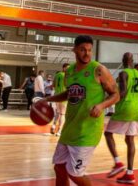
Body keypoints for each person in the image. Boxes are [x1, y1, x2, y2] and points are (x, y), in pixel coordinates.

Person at [44, 35, 119, 186]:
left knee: (75, 174)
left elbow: (116, 94)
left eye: (89, 50)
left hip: (87, 131)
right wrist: (48, 100)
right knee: (59, 168)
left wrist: (101, 106)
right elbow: (69, 93)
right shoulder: (70, 71)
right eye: (83, 50)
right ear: (75, 50)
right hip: (69, 129)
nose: (87, 53)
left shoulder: (98, 70)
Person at [104, 52, 138, 184]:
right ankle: (130, 174)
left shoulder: (123, 73)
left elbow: (124, 92)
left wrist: (109, 99)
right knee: (130, 140)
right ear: (132, 61)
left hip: (125, 108)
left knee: (108, 134)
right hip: (137, 109)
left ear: (123, 60)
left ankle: (117, 163)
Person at [52, 63, 69, 136]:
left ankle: (53, 126)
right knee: (62, 114)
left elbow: (53, 85)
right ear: (64, 68)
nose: (68, 69)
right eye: (67, 68)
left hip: (57, 96)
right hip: (63, 97)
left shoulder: (57, 75)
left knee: (58, 113)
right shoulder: (66, 76)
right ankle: (59, 131)